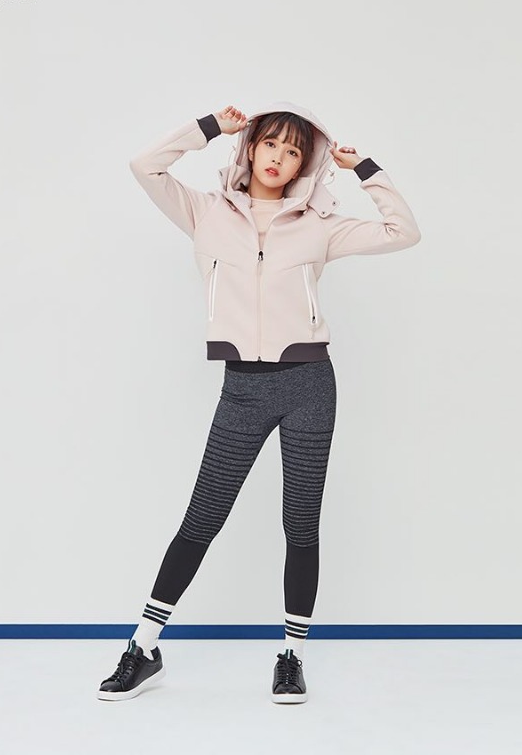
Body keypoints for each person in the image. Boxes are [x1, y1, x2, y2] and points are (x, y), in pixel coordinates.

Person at [97, 101, 421, 704]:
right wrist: (207, 129)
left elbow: (404, 232)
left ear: (305, 164)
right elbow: (144, 166)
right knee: (201, 520)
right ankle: (144, 647)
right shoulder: (204, 211)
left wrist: (364, 169)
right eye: (271, 143)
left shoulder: (320, 225)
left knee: (301, 524)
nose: (279, 157)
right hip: (242, 388)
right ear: (249, 148)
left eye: (294, 151)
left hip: (308, 385)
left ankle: (291, 656)